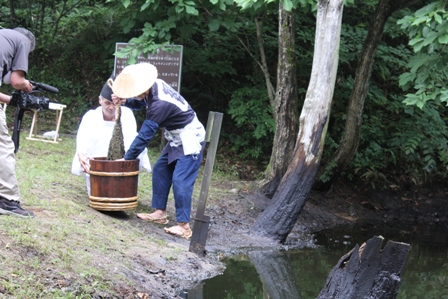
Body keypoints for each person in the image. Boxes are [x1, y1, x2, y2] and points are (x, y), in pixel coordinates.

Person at [109, 63, 205, 239]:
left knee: (180, 179)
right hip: (176, 138)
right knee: (161, 169)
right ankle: (160, 213)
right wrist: (125, 102)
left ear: (143, 88)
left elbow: (144, 136)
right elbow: (142, 102)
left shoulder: (159, 104)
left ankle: (184, 226)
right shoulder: (155, 85)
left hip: (190, 137)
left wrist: (127, 158)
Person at [71, 80, 151, 195]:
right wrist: (81, 154)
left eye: (114, 103)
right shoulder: (91, 116)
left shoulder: (127, 114)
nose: (111, 107)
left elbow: (131, 138)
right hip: (97, 160)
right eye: (107, 103)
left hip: (122, 161)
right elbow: (82, 138)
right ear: (100, 100)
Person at [0, 27, 36, 218]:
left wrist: (12, 101)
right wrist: (26, 84)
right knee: (3, 147)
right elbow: (15, 80)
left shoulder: (3, 37)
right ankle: (7, 200)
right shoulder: (23, 40)